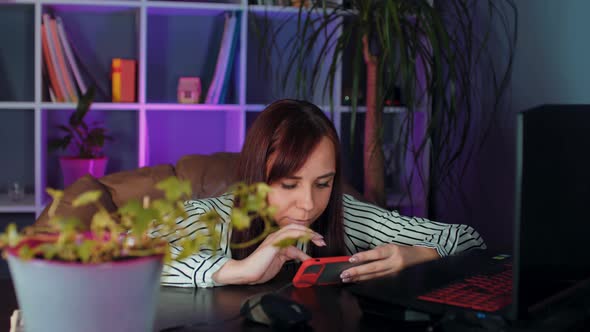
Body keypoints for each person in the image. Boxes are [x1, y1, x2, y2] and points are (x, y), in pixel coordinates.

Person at [160, 99, 486, 288]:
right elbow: (124, 252)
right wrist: (237, 270)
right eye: (289, 184)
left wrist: (418, 255)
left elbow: (467, 239)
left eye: (323, 183)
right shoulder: (214, 216)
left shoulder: (347, 216)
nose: (308, 204)